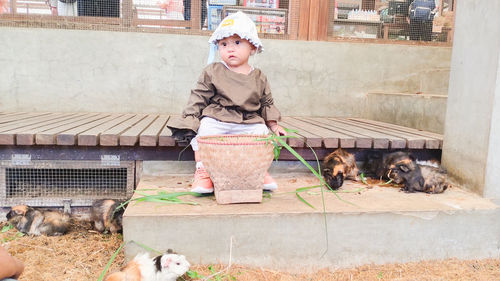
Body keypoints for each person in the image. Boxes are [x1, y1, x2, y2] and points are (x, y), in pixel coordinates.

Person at [168, 11, 286, 194]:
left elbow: (266, 102)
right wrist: (191, 119)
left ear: (252, 47)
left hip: (248, 120)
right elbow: (199, 96)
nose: (230, 49)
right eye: (224, 44)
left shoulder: (259, 76)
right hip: (219, 118)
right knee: (204, 131)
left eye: (237, 43)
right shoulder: (213, 71)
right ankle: (203, 170)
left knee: (262, 135)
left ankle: (258, 171)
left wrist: (273, 124)